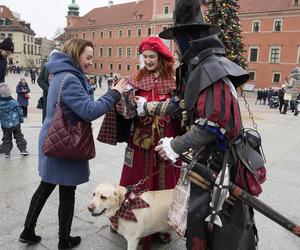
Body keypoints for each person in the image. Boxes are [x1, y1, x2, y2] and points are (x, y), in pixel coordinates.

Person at [156, 0, 260, 249]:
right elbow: (186, 105)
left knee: (221, 230)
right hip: (210, 161)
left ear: (190, 39)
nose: (178, 47)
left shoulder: (211, 69)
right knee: (203, 224)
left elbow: (211, 125)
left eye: (180, 38)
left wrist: (175, 145)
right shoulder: (202, 68)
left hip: (221, 164)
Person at [18, 38, 127, 250]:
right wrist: (114, 93)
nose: (91, 62)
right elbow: (89, 111)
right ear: (76, 55)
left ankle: (28, 231)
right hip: (65, 141)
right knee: (66, 190)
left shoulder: (61, 74)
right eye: (88, 57)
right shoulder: (70, 79)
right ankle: (63, 240)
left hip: (54, 137)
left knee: (46, 186)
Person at [98, 36, 182, 244]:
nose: (148, 60)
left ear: (161, 57)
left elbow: (180, 109)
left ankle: (164, 225)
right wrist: (123, 105)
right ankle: (124, 218)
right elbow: (125, 111)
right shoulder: (134, 79)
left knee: (166, 184)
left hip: (167, 140)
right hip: (140, 139)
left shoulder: (173, 81)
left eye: (152, 56)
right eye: (145, 57)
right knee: (134, 180)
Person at [0, 83, 29, 158]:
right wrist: (21, 119)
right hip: (15, 123)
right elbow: (20, 111)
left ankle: (7, 152)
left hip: (5, 125)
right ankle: (23, 150)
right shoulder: (14, 102)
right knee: (19, 136)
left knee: (6, 138)